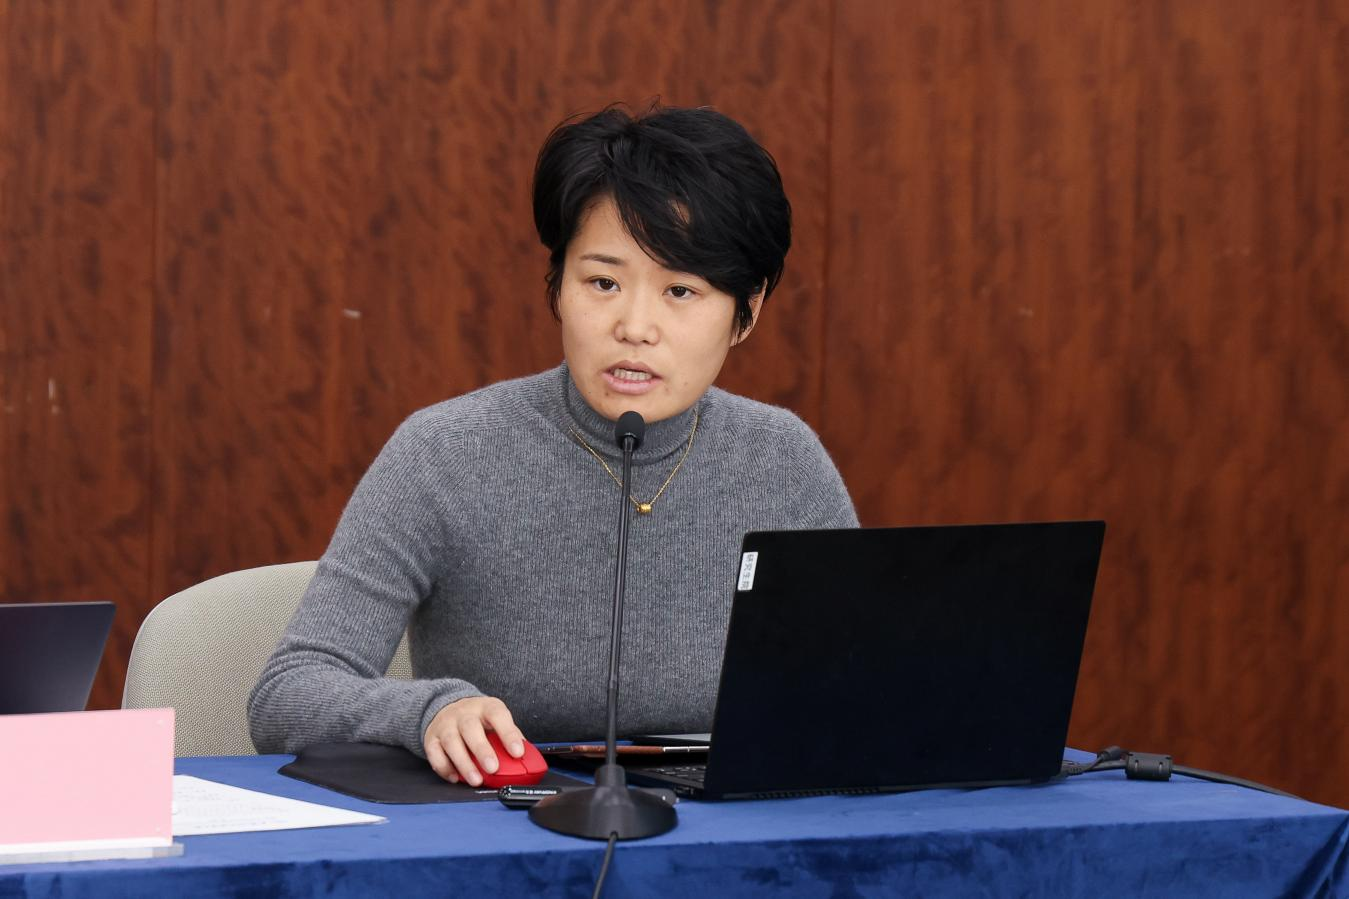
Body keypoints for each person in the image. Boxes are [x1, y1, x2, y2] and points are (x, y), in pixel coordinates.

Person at [248, 105, 858, 787]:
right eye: (603, 282)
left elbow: (862, 690)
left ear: (748, 310)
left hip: (728, 828)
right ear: (558, 286)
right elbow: (288, 693)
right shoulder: (447, 453)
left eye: (681, 290)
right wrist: (427, 712)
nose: (635, 326)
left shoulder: (782, 462)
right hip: (511, 825)